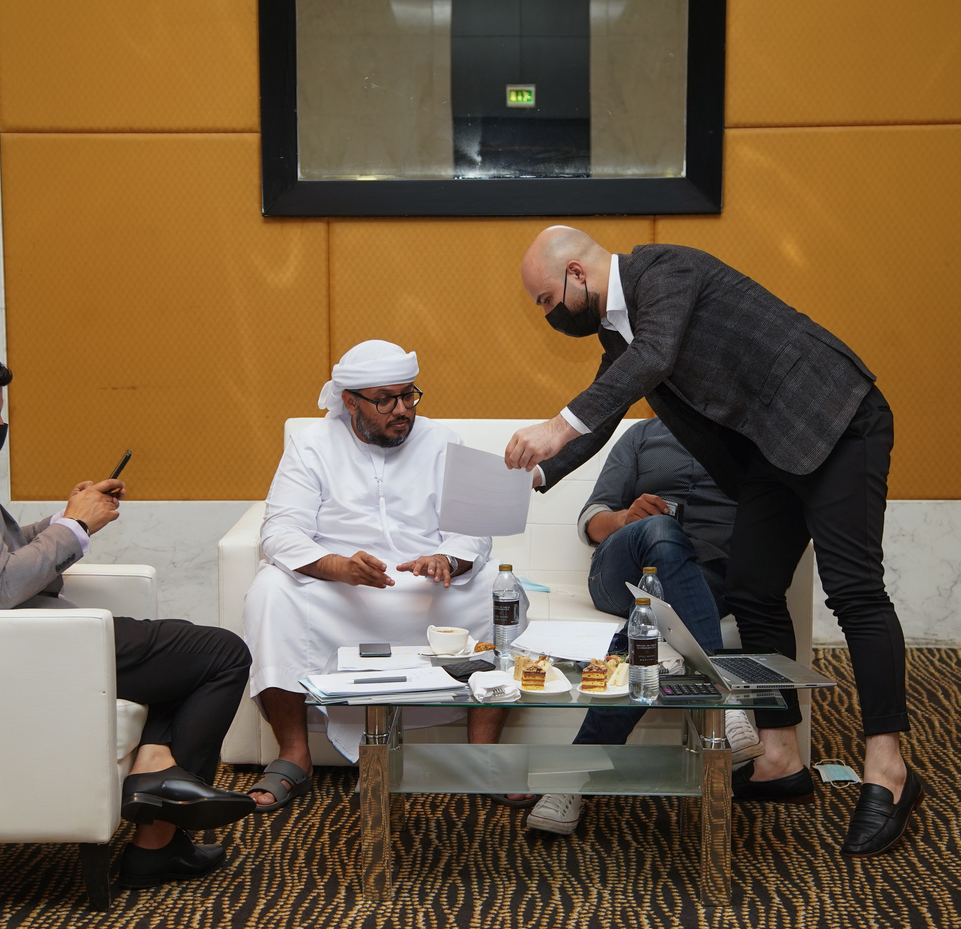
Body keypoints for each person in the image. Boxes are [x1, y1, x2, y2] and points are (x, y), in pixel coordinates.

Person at [506, 226, 921, 856]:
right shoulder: (621, 333)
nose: (548, 315)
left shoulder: (665, 271)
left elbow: (653, 358)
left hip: (834, 420)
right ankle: (779, 756)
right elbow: (609, 410)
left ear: (577, 275)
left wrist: (556, 426)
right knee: (753, 591)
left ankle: (889, 769)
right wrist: (532, 475)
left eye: (545, 300)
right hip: (769, 456)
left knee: (855, 591)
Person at [0, 338, 256, 888]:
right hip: (9, 643)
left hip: (2, 632)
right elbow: (0, 585)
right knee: (221, 653)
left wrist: (66, 518)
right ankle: (158, 833)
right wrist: (77, 526)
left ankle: (157, 773)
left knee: (182, 649)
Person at [243, 340, 499, 810]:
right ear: (350, 401)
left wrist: (446, 559)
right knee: (270, 591)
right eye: (385, 400)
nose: (402, 410)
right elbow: (279, 531)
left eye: (408, 395)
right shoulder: (312, 445)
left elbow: (474, 529)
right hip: (340, 593)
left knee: (492, 589)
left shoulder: (444, 441)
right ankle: (294, 755)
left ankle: (484, 756)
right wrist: (337, 566)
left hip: (426, 591)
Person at [524, 417, 762, 835]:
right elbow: (591, 520)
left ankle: (571, 781)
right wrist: (623, 518)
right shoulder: (643, 435)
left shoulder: (751, 440)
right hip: (624, 572)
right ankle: (723, 699)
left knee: (644, 630)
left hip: (704, 579)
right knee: (660, 528)